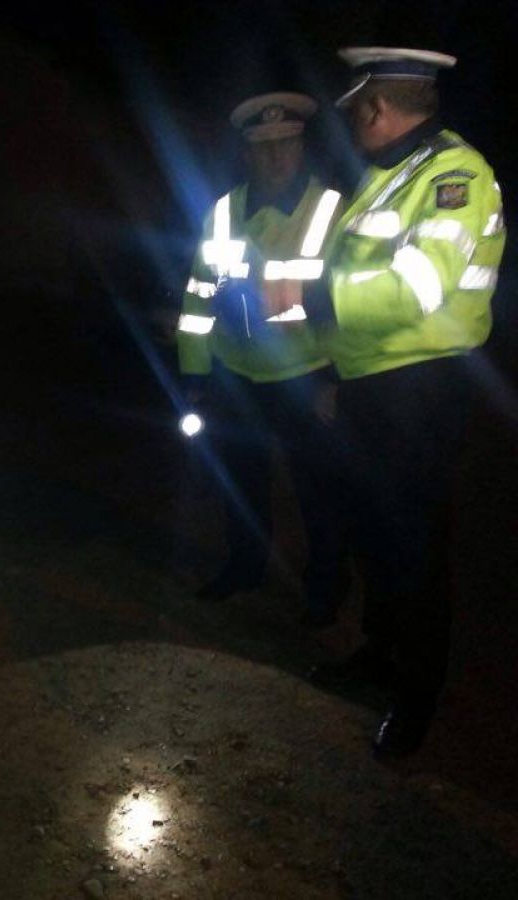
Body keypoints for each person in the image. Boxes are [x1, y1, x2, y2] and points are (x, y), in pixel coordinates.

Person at [266, 48, 506, 758]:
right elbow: (357, 272)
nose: (353, 123)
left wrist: (306, 295)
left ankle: (417, 696)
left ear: (375, 107)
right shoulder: (389, 174)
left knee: (415, 547)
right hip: (371, 383)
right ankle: (380, 653)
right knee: (373, 531)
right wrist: (333, 373)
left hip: (423, 392)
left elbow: (417, 289)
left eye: (355, 110)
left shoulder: (457, 177)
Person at [176, 93, 346, 624]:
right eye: (263, 147)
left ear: (302, 147)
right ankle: (245, 565)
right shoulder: (222, 212)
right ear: (247, 153)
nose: (276, 157)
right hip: (235, 375)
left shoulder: (330, 210)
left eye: (287, 144)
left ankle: (324, 588)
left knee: (317, 492)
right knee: (241, 482)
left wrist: (338, 379)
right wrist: (196, 374)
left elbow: (350, 302)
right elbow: (198, 297)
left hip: (307, 377)